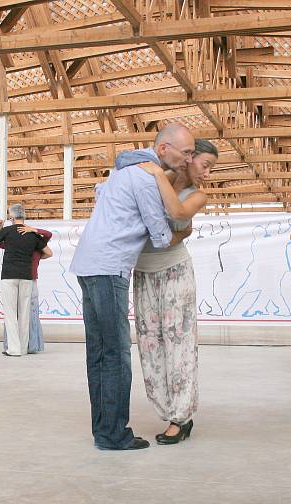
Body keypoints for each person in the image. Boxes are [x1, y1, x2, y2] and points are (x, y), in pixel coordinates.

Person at [70, 123, 195, 451]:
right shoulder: (145, 178)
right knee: (116, 355)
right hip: (109, 269)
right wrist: (184, 231)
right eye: (187, 153)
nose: (189, 159)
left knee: (98, 353)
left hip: (89, 265)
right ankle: (113, 435)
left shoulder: (124, 170)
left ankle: (103, 430)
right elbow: (161, 236)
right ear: (164, 149)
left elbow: (103, 195)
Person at [117, 139, 217, 445]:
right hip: (144, 273)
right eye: (205, 164)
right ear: (188, 158)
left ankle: (181, 416)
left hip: (175, 271)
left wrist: (159, 176)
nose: (208, 173)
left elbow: (176, 211)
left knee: (179, 342)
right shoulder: (152, 175)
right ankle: (165, 407)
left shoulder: (196, 194)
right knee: (149, 343)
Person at [0, 204, 53, 357]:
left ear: (11, 217)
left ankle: (13, 349)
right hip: (27, 276)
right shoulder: (32, 234)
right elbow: (49, 252)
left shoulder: (6, 231)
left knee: (10, 314)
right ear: (24, 216)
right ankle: (22, 348)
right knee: (24, 314)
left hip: (9, 276)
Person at [0, 225, 52, 354]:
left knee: (14, 313)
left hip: (25, 278)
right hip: (29, 279)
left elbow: (48, 234)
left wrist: (33, 229)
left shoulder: (29, 244)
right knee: (28, 314)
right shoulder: (36, 245)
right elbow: (48, 244)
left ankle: (14, 346)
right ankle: (28, 346)